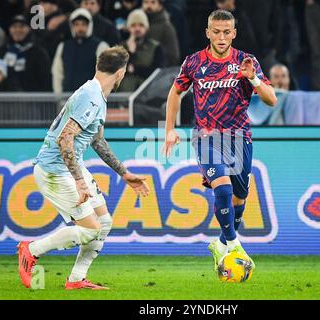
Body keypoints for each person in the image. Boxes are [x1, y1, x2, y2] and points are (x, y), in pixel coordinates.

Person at [17, 46, 150, 290]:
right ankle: (31, 250)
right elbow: (65, 138)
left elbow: (97, 141)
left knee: (104, 223)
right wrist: (79, 181)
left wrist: (124, 173)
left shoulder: (96, 94)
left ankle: (77, 279)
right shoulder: (91, 96)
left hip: (69, 167)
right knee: (90, 230)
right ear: (121, 73)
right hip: (55, 170)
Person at [163, 10, 277, 273]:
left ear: (234, 33)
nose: (222, 37)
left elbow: (272, 100)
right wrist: (169, 129)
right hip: (206, 138)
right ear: (208, 33)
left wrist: (253, 78)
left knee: (239, 199)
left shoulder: (246, 62)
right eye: (216, 31)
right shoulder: (193, 62)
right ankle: (234, 245)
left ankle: (222, 243)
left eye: (227, 32)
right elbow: (175, 92)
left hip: (239, 139)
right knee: (223, 190)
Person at [52, 8, 109, 93]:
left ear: (89, 25)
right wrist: (59, 97)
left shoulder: (101, 46)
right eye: (76, 24)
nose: (80, 28)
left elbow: (105, 74)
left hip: (91, 99)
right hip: (68, 99)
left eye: (83, 24)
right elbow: (57, 73)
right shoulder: (63, 46)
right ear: (72, 26)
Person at [0, 15, 52, 92]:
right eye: (14, 27)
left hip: (33, 100)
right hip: (5, 100)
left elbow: (46, 80)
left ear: (29, 29)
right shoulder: (1, 52)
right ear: (10, 29)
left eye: (22, 26)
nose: (18, 30)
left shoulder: (39, 53)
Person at [118, 9, 165, 92]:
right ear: (128, 28)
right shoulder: (120, 48)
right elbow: (117, 72)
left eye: (141, 25)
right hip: (123, 95)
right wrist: (130, 52)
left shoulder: (155, 47)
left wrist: (134, 69)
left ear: (146, 28)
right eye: (133, 25)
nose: (137, 29)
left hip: (147, 96)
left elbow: (157, 73)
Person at [142, 0, 180, 66]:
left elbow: (174, 56)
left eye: (153, 2)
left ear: (160, 5)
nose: (149, 6)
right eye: (146, 2)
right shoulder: (136, 25)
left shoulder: (167, 27)